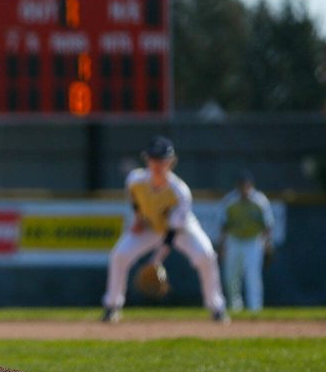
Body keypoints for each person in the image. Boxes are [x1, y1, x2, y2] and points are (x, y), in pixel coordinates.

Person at [101, 136, 229, 323]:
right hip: (150, 226)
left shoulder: (180, 192)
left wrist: (156, 260)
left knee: (206, 255)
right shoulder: (135, 179)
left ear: (172, 161)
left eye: (161, 160)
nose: (157, 164)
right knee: (119, 255)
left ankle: (217, 307)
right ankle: (112, 306)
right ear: (147, 160)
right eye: (153, 159)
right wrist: (137, 219)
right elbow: (135, 198)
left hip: (182, 230)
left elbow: (171, 233)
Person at [217, 170, 274, 312]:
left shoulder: (260, 201)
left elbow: (268, 225)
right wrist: (222, 245)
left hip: (253, 242)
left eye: (246, 185)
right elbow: (223, 226)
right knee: (230, 277)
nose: (244, 187)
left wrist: (267, 244)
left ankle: (255, 309)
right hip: (234, 241)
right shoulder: (230, 201)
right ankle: (234, 308)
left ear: (251, 185)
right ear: (237, 186)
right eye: (241, 185)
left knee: (253, 276)